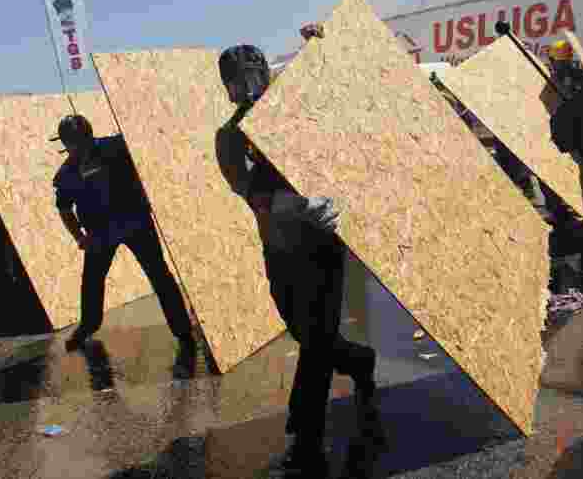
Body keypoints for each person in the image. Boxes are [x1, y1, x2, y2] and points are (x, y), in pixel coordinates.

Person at [215, 41, 385, 476]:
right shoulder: (231, 137)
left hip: (322, 245)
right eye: (239, 81)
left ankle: (306, 437)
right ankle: (359, 362)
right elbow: (251, 194)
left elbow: (348, 135)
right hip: (280, 247)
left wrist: (324, 46)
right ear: (229, 88)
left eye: (255, 76)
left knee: (314, 339)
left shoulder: (300, 113)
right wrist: (292, 203)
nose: (249, 86)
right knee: (307, 333)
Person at [52, 115, 196, 359]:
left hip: (135, 222)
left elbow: (146, 150)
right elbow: (64, 209)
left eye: (77, 142)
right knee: (92, 281)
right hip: (100, 233)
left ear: (87, 136)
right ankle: (88, 325)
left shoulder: (116, 146)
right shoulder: (66, 174)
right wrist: (80, 237)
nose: (75, 148)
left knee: (159, 274)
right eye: (71, 144)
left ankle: (182, 330)